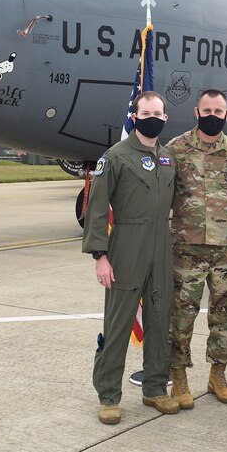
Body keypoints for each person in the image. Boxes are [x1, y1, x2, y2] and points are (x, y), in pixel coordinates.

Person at [82, 91, 179, 425]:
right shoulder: (116, 156)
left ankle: (154, 388)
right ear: (134, 116)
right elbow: (97, 207)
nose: (152, 117)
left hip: (161, 247)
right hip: (126, 246)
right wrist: (100, 256)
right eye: (146, 112)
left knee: (158, 320)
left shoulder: (168, 159)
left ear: (165, 119)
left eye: (158, 113)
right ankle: (109, 395)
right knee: (119, 322)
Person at [165, 89, 227, 408]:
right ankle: (180, 376)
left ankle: (218, 374)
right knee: (181, 316)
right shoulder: (176, 148)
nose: (212, 115)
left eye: (219, 110)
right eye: (207, 109)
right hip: (186, 250)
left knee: (225, 315)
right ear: (196, 112)